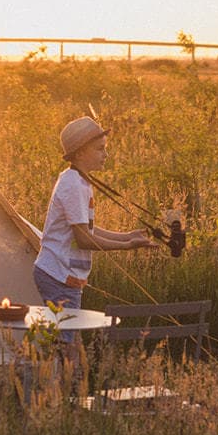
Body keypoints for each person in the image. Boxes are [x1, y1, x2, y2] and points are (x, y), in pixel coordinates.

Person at [32, 116, 155, 314]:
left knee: (69, 340)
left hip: (64, 274)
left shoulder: (79, 181)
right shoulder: (74, 185)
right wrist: (126, 246)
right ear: (80, 153)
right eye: (99, 149)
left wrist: (127, 235)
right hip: (58, 275)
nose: (105, 154)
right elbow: (84, 239)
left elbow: (84, 229)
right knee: (67, 342)